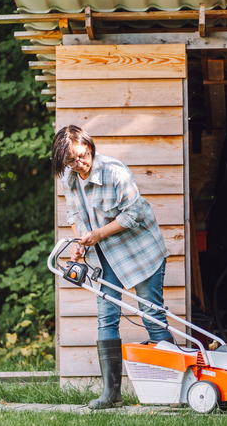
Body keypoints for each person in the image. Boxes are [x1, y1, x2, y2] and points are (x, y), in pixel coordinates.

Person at [51, 125, 172, 409]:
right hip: (102, 253)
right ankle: (111, 394)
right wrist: (81, 241)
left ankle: (170, 391)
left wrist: (98, 234)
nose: (79, 164)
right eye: (70, 161)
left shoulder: (116, 172)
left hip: (140, 249)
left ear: (89, 147)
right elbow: (74, 212)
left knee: (151, 313)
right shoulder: (69, 177)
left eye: (82, 156)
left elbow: (133, 214)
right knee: (107, 318)